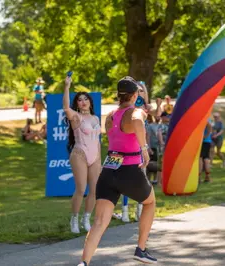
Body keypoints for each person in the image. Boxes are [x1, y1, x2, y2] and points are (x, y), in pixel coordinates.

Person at [77, 76, 156, 266]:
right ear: (135, 95)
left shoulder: (110, 116)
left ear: (118, 95)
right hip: (129, 170)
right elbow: (136, 121)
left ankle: (84, 263)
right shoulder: (136, 113)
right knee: (150, 202)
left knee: (99, 222)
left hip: (109, 170)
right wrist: (144, 149)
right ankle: (141, 249)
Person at [118, 82, 161, 223]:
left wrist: (158, 104)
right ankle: (124, 210)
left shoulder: (145, 107)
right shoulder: (129, 108)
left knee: (140, 180)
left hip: (140, 146)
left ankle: (139, 210)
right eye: (138, 90)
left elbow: (157, 114)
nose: (140, 92)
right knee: (124, 179)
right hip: (127, 147)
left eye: (143, 90)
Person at [63, 76, 101, 234]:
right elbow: (65, 108)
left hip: (95, 156)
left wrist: (99, 156)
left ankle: (87, 219)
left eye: (86, 99)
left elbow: (97, 139)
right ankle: (74, 219)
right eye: (80, 100)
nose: (83, 101)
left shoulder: (96, 118)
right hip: (79, 154)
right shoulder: (76, 117)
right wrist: (67, 86)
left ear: (91, 102)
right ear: (77, 103)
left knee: (94, 190)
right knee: (80, 188)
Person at [199, 118, 212, 183]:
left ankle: (199, 178)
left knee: (200, 159)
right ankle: (207, 177)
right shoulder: (207, 117)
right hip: (207, 141)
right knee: (206, 158)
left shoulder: (203, 116)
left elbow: (209, 126)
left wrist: (205, 136)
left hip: (203, 141)